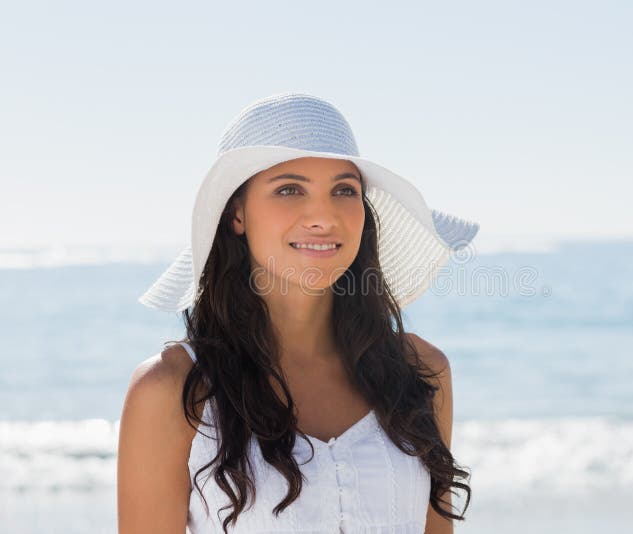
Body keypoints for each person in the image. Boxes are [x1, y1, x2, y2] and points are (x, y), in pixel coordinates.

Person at [116, 92, 478, 533]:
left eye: (344, 190)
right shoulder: (174, 389)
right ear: (236, 213)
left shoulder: (420, 373)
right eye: (290, 189)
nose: (323, 216)